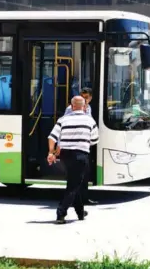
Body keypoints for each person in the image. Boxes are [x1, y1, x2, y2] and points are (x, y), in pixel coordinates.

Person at [47, 96, 99, 224]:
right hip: (81, 155)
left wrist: (51, 152)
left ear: (72, 106)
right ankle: (61, 213)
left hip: (65, 155)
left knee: (74, 182)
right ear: (84, 106)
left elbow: (52, 137)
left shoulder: (63, 120)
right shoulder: (90, 120)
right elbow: (94, 140)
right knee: (73, 185)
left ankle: (80, 212)